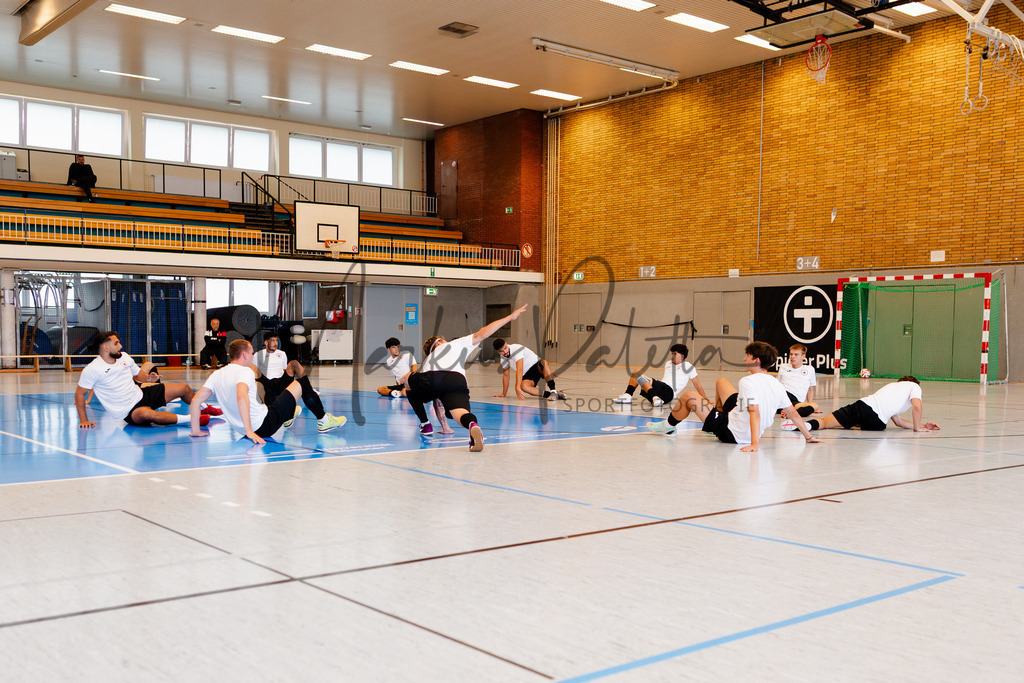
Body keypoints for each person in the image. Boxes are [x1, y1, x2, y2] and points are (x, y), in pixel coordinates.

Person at [647, 341, 820, 452]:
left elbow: (755, 413)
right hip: (736, 415)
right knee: (722, 381)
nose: (744, 358)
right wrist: (808, 436)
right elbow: (793, 413)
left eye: (748, 355)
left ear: (757, 361)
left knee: (689, 397)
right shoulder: (777, 384)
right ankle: (715, 415)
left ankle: (668, 426)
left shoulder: (747, 382)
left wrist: (754, 444)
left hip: (733, 432)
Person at [406, 303, 529, 451]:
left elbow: (437, 401)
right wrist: (510, 317)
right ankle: (472, 425)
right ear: (439, 342)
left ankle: (425, 425)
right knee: (461, 413)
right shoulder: (455, 344)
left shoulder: (428, 359)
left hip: (431, 377)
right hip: (456, 380)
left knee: (407, 384)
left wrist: (445, 428)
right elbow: (483, 333)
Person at [190, 339, 345, 444]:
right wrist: (250, 431)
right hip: (264, 425)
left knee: (281, 400)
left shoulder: (217, 374)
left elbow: (196, 400)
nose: (252, 356)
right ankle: (323, 420)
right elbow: (241, 397)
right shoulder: (245, 372)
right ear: (244, 354)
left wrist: (195, 430)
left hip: (245, 427)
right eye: (251, 353)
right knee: (301, 384)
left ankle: (288, 416)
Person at [75, 331, 215, 428]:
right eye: (116, 343)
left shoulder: (124, 356)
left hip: (142, 395)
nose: (120, 346)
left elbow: (138, 376)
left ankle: (204, 408)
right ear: (106, 347)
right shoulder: (93, 369)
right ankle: (193, 418)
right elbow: (79, 394)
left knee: (183, 387)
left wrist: (149, 378)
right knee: (147, 414)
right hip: (128, 411)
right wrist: (84, 420)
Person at [252, 331, 347, 432]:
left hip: (281, 382)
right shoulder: (258, 355)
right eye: (272, 340)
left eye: (276, 340)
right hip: (268, 383)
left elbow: (284, 371)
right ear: (266, 342)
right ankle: (289, 416)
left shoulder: (282, 354)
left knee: (293, 363)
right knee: (254, 373)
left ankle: (308, 389)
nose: (275, 343)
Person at [791, 375, 940, 432]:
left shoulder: (893, 387)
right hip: (876, 423)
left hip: (862, 406)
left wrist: (922, 425)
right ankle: (855, 425)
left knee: (825, 422)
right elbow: (917, 406)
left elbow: (899, 421)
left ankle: (806, 426)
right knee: (856, 426)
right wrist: (918, 428)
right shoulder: (914, 386)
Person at [612, 344, 707, 408]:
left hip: (669, 392)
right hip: (660, 388)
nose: (672, 356)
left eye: (675, 354)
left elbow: (697, 384)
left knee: (640, 376)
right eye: (671, 354)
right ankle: (629, 395)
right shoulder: (668, 363)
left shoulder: (688, 367)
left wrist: (705, 400)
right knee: (637, 372)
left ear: (682, 356)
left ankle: (655, 397)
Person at [491, 338, 565, 401]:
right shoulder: (503, 359)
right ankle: (552, 395)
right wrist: (504, 393)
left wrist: (517, 388)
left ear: (506, 343)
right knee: (524, 387)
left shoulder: (516, 349)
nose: (505, 352)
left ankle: (553, 390)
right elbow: (506, 375)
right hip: (527, 374)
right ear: (497, 351)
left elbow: (519, 370)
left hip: (536, 365)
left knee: (544, 363)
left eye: (505, 348)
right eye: (501, 351)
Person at [776, 343, 819, 418]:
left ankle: (789, 413)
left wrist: (809, 404)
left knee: (814, 406)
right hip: (782, 395)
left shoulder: (809, 369)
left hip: (795, 402)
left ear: (803, 356)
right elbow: (777, 385)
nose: (792, 357)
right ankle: (789, 412)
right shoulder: (783, 367)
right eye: (791, 354)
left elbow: (810, 390)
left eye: (796, 354)